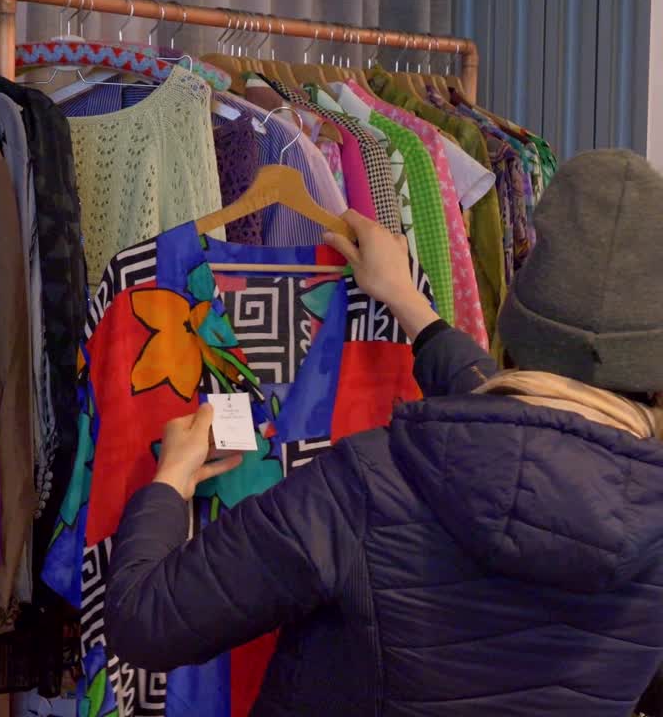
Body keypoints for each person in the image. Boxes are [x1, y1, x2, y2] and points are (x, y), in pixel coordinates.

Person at [105, 149, 663, 716]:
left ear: (518, 330)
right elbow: (536, 435)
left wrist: (170, 482)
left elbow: (145, 620)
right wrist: (412, 307)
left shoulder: (366, 486)